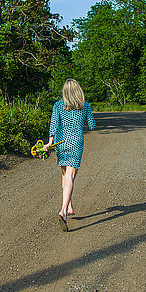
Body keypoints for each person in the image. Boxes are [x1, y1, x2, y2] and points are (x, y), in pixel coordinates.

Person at [43, 79, 96, 232]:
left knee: (65, 173)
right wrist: (85, 119)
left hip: (60, 143)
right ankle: (64, 211)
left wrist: (49, 142)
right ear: (78, 91)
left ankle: (70, 206)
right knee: (71, 176)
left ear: (65, 92)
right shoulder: (84, 105)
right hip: (76, 142)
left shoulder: (58, 105)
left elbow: (53, 124)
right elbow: (92, 126)